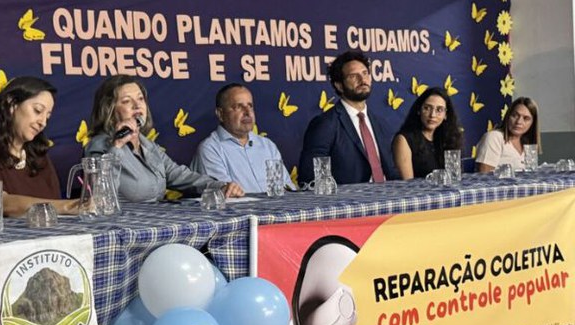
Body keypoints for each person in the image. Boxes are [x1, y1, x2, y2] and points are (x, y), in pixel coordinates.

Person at [84, 75, 244, 202]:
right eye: (126, 101)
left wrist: (220, 186)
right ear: (109, 111)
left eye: (140, 99)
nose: (137, 105)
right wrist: (117, 146)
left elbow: (180, 176)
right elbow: (101, 196)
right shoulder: (100, 145)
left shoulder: (147, 145)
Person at [0, 76, 77, 220]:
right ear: (11, 104)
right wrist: (70, 206)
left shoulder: (38, 156)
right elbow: (0, 203)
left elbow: (52, 204)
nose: (43, 122)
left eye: (47, 117)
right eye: (38, 111)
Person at [297, 51, 398, 185]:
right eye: (353, 76)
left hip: (388, 199)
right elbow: (310, 178)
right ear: (339, 85)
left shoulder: (380, 123)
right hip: (349, 203)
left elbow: (392, 171)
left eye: (365, 73)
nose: (362, 80)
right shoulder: (325, 124)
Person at [191, 83, 294, 193]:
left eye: (250, 106)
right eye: (238, 107)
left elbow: (287, 188)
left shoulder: (267, 146)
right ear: (220, 114)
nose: (247, 112)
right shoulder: (210, 149)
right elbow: (227, 197)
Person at [392, 87, 463, 179]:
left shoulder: (449, 138)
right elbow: (407, 185)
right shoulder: (403, 140)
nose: (432, 115)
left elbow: (454, 179)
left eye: (439, 110)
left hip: (446, 192)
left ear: (446, 115)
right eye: (427, 108)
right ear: (419, 110)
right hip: (417, 193)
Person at [475, 97, 540, 173]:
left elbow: (531, 175)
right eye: (515, 115)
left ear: (532, 123)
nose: (519, 121)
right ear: (508, 116)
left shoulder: (528, 143)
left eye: (526, 118)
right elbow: (484, 176)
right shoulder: (494, 138)